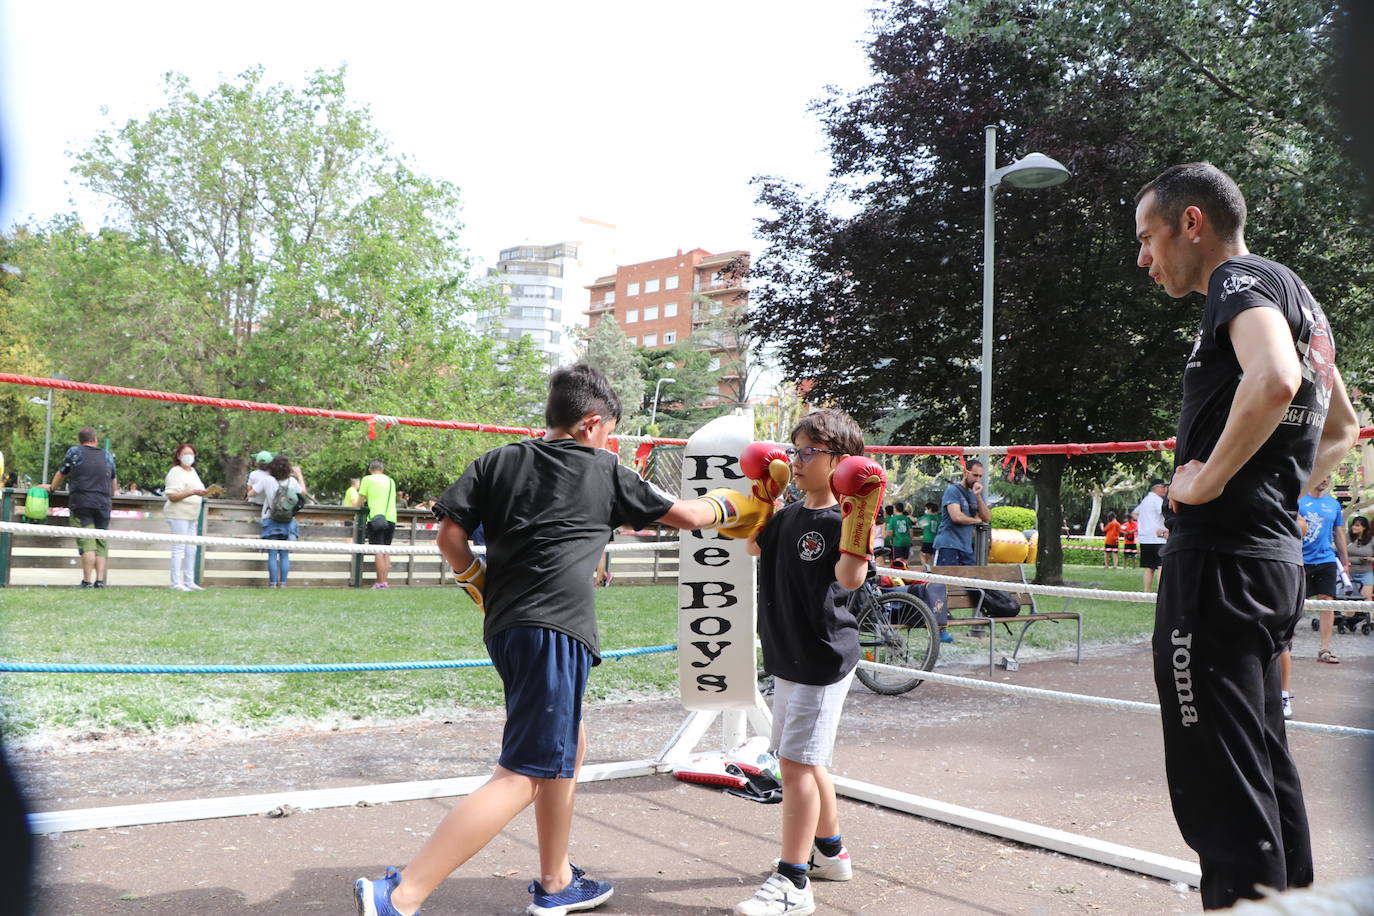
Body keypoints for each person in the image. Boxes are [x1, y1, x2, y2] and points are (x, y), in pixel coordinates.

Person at [353, 362, 773, 916]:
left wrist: (474, 578)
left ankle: (555, 880)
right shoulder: (603, 468)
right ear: (591, 424)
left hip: (508, 628)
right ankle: (401, 896)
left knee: (565, 747)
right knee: (524, 772)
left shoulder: (498, 459)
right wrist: (747, 502)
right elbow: (689, 514)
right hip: (556, 631)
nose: (611, 442)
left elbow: (449, 534)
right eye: (610, 432)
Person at [1134, 162, 1360, 909]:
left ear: (1190, 222)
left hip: (1220, 567)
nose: (1144, 259)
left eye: (1148, 238)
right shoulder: (1301, 295)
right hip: (1267, 562)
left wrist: (1207, 481)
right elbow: (1343, 428)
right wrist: (1279, 490)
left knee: (1217, 783)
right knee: (1259, 758)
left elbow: (1274, 380)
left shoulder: (1238, 281)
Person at [737, 408, 872, 916]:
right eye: (794, 449)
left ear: (841, 462)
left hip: (820, 658)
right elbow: (751, 545)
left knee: (795, 765)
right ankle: (831, 854)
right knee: (807, 764)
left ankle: (794, 881)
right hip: (788, 655)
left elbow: (852, 578)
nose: (795, 460)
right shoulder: (789, 514)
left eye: (808, 451)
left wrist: (861, 518)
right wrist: (762, 498)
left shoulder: (841, 519)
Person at [42, 427, 118, 588]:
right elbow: (113, 482)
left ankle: (87, 581)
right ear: (95, 439)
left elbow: (61, 473)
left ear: (80, 441)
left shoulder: (75, 452)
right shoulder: (106, 455)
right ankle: (100, 581)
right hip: (104, 503)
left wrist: (52, 488)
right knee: (101, 541)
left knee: (87, 541)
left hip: (82, 502)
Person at [1298, 477, 1349, 664]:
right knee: (1295, 603)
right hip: (1301, 560)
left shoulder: (1333, 504)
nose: (1325, 480)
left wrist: (1345, 562)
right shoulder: (1299, 501)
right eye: (1322, 476)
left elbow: (1339, 532)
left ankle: (1324, 649)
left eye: (1328, 478)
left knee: (1327, 602)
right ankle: (1285, 647)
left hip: (1326, 559)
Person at [249, 455, 305, 588]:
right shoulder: (292, 481)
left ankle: (273, 583)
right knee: (284, 554)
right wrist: (299, 474)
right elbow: (303, 492)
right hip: (288, 521)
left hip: (270, 519)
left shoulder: (266, 480)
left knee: (272, 554)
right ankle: (283, 583)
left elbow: (251, 493)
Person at [162, 443, 209, 591]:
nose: (188, 457)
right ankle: (176, 582)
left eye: (191, 454)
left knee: (191, 549)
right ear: (178, 456)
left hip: (192, 515)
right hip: (178, 514)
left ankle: (189, 581)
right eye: (185, 454)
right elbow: (172, 496)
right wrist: (193, 492)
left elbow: (198, 490)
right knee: (179, 547)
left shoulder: (193, 472)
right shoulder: (175, 472)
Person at [931, 460, 990, 566]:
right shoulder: (953, 491)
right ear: (965, 472)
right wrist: (976, 520)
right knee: (945, 581)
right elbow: (957, 517)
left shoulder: (976, 494)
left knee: (970, 581)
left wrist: (978, 497)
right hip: (948, 546)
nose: (977, 479)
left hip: (966, 548)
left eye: (980, 476)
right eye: (975, 475)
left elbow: (986, 518)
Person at [355, 459, 398, 589]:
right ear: (383, 469)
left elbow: (359, 502)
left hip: (376, 518)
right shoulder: (391, 481)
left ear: (369, 470)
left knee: (378, 551)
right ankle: (385, 582)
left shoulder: (367, 480)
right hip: (391, 518)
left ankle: (380, 582)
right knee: (386, 551)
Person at [1133, 480, 1168, 592]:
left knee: (1149, 568)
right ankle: (1160, 593)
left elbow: (1134, 513)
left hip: (1145, 538)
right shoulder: (1157, 500)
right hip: (1159, 538)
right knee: (1161, 567)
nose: (1165, 489)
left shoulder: (1145, 500)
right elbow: (1164, 512)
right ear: (1156, 487)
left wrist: (1145, 522)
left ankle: (1146, 592)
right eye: (1163, 487)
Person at [1348, 516, 1373, 601]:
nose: (1354, 527)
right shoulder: (1347, 538)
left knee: (1366, 596)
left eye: (1357, 525)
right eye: (1353, 525)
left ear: (1364, 527)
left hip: (1366, 571)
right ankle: (1348, 615)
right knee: (1350, 598)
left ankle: (1369, 614)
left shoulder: (1371, 540)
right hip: (1349, 572)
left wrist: (1371, 559)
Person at [917, 500, 939, 569]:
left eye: (926, 509)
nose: (925, 511)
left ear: (930, 509)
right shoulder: (939, 518)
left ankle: (926, 568)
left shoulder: (926, 517)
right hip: (936, 540)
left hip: (927, 540)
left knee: (922, 554)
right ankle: (931, 567)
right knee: (932, 556)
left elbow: (917, 521)